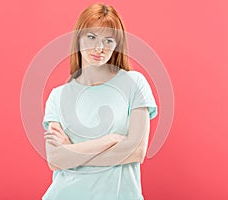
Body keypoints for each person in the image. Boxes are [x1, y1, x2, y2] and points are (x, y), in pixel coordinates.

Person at [42, 3, 158, 200]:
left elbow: (137, 151)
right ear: (78, 38)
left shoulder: (134, 83)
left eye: (108, 40)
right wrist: (108, 141)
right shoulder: (58, 96)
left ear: (116, 45)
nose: (99, 48)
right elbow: (55, 160)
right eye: (91, 37)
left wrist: (73, 154)